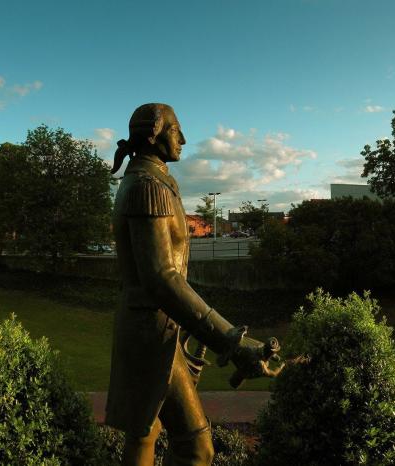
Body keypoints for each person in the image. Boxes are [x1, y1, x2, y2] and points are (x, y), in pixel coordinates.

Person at [106, 103, 282, 466]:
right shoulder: (147, 187)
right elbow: (161, 278)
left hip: (153, 330)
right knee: (196, 449)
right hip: (154, 335)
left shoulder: (149, 182)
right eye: (175, 130)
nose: (183, 139)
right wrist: (232, 340)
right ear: (154, 134)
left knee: (146, 434)